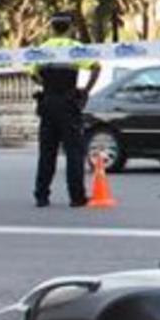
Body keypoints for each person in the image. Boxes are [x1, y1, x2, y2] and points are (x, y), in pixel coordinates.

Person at [32, 12, 102, 208]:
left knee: (47, 152)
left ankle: (41, 195)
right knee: (73, 152)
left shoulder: (42, 49)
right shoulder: (75, 48)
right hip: (69, 103)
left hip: (48, 102)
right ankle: (76, 197)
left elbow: (32, 73)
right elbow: (96, 67)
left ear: (52, 28)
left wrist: (45, 85)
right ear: (71, 28)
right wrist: (85, 91)